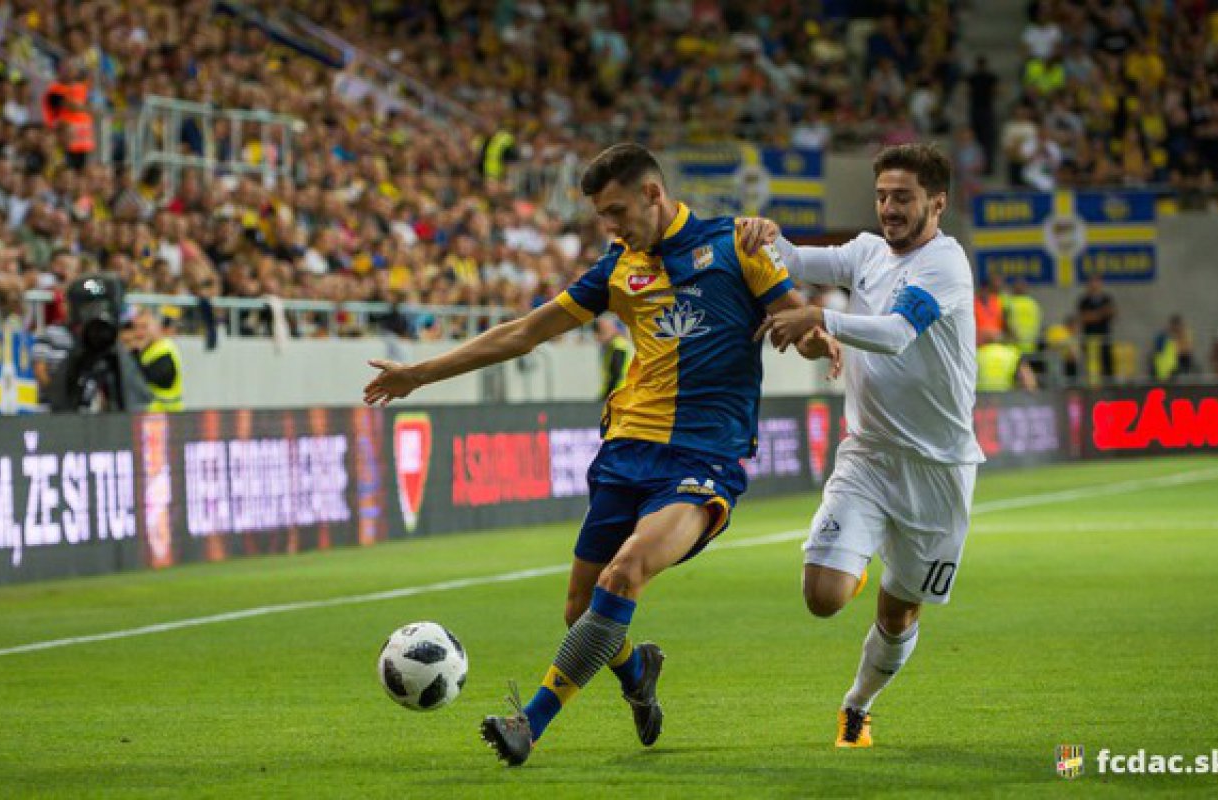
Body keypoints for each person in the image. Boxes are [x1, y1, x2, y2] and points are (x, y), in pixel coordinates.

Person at [363, 143, 840, 767]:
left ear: (653, 194)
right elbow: (524, 332)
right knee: (580, 612)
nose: (611, 227)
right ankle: (637, 671)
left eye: (618, 211)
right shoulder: (617, 269)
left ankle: (528, 724)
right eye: (602, 216)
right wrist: (419, 374)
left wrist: (820, 337)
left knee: (624, 574)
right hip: (625, 453)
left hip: (704, 459)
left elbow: (797, 324)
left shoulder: (737, 245)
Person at [738, 143, 985, 748]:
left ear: (937, 203)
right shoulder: (868, 252)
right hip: (868, 454)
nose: (889, 208)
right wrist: (765, 234)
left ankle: (858, 703)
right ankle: (858, 545)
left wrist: (820, 319)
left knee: (898, 613)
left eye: (903, 198)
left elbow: (898, 334)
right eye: (881, 197)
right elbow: (796, 258)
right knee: (823, 596)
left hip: (938, 468)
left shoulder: (945, 265)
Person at [122, 307, 184, 412]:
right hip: (150, 416)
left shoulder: (164, 350)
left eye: (144, 327)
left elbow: (148, 378)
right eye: (135, 327)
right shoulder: (148, 350)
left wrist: (134, 353)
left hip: (165, 416)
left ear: (157, 327)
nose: (139, 332)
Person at [1076, 274, 1116, 382]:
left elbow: (1112, 313)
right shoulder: (1084, 301)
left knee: (1107, 362)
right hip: (1090, 337)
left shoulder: (1106, 299)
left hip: (1104, 336)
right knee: (1091, 364)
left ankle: (1109, 383)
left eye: (1097, 282)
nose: (1094, 285)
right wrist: (1101, 313)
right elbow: (1084, 318)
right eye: (1092, 282)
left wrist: (1095, 315)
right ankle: (1092, 385)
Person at [593, 314, 631, 399]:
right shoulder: (612, 346)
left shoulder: (618, 345)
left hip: (618, 394)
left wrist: (607, 396)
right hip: (617, 393)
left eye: (602, 332)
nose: (597, 338)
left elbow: (616, 374)